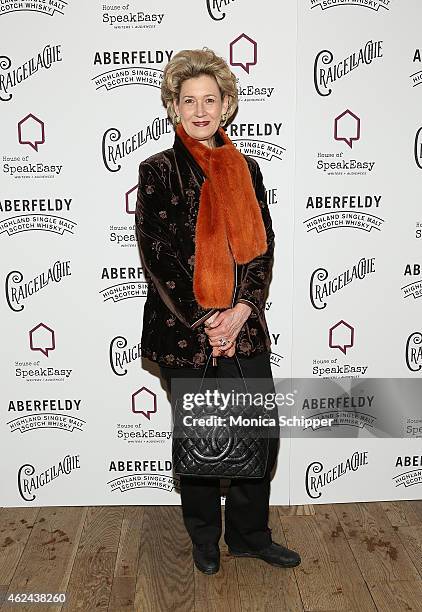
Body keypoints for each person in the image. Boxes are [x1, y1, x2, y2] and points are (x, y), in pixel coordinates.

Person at [135, 47, 300, 574]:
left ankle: (250, 535)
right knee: (202, 438)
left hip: (244, 326)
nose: (200, 109)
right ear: (173, 107)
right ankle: (204, 540)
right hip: (187, 331)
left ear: (226, 105)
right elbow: (157, 254)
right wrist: (209, 319)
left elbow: (262, 247)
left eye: (211, 99)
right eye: (189, 100)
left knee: (257, 431)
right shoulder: (158, 170)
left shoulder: (246, 168)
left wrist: (243, 309)